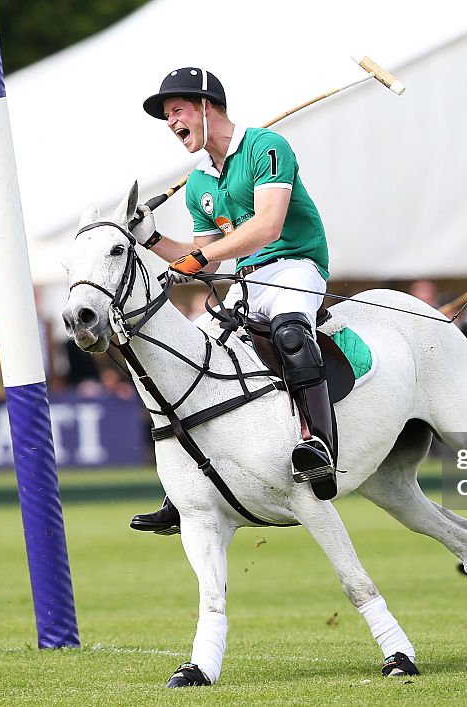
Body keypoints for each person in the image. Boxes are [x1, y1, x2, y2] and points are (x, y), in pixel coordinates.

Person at [127, 67, 337, 535]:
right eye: (166, 116)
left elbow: (267, 228)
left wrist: (201, 254)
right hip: (244, 279)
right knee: (184, 354)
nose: (171, 122)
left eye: (176, 110)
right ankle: (178, 491)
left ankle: (317, 445)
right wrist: (153, 238)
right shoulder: (200, 182)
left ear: (206, 105)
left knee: (289, 331)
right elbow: (208, 264)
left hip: (296, 265)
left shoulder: (267, 147)